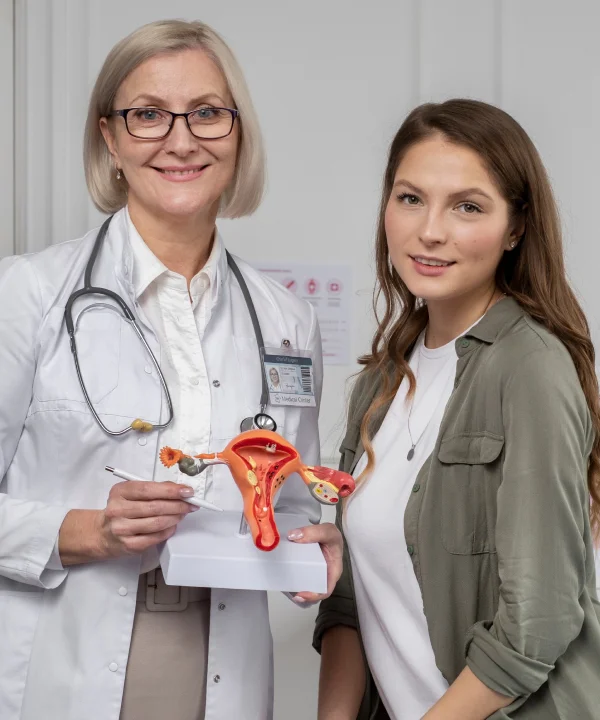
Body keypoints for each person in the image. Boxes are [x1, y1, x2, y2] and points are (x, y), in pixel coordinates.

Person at [0, 19, 342, 720]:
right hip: (66, 655)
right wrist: (85, 530)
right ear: (110, 138)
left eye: (207, 113)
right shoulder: (27, 294)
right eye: (149, 114)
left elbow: (290, 502)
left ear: (238, 134)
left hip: (224, 658)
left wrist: (314, 547)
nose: (181, 141)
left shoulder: (286, 321)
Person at [314, 99, 600, 720]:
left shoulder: (530, 368)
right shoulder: (381, 382)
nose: (430, 231)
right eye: (410, 198)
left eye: (467, 206)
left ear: (515, 228)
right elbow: (347, 599)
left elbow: (537, 624)